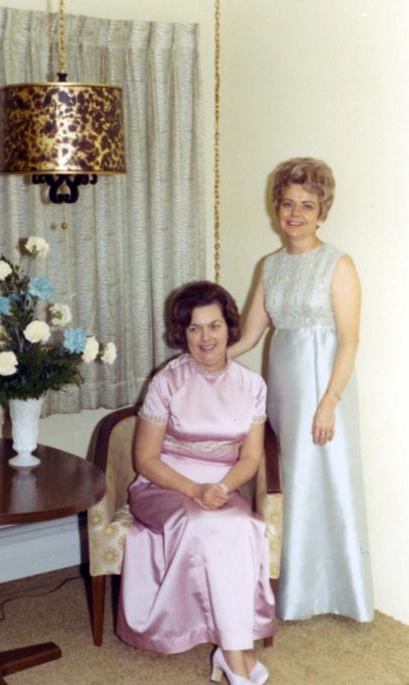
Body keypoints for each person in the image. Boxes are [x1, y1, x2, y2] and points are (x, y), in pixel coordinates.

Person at [229, 157, 373, 622]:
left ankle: (341, 593)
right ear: (276, 208)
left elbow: (350, 340)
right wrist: (205, 355)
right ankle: (293, 590)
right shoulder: (269, 266)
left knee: (325, 481)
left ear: (322, 211)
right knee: (287, 480)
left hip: (324, 390)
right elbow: (249, 337)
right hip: (284, 388)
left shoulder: (339, 264)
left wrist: (329, 402)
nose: (295, 213)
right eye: (287, 203)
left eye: (306, 205)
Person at [117, 281, 275, 685]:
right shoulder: (167, 382)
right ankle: (237, 659)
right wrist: (194, 490)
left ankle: (230, 653)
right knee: (205, 523)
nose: (206, 338)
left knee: (239, 525)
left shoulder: (252, 386)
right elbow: (145, 460)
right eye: (194, 328)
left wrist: (221, 488)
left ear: (230, 328)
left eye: (215, 326)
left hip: (223, 486)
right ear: (182, 333)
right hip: (165, 486)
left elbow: (252, 458)